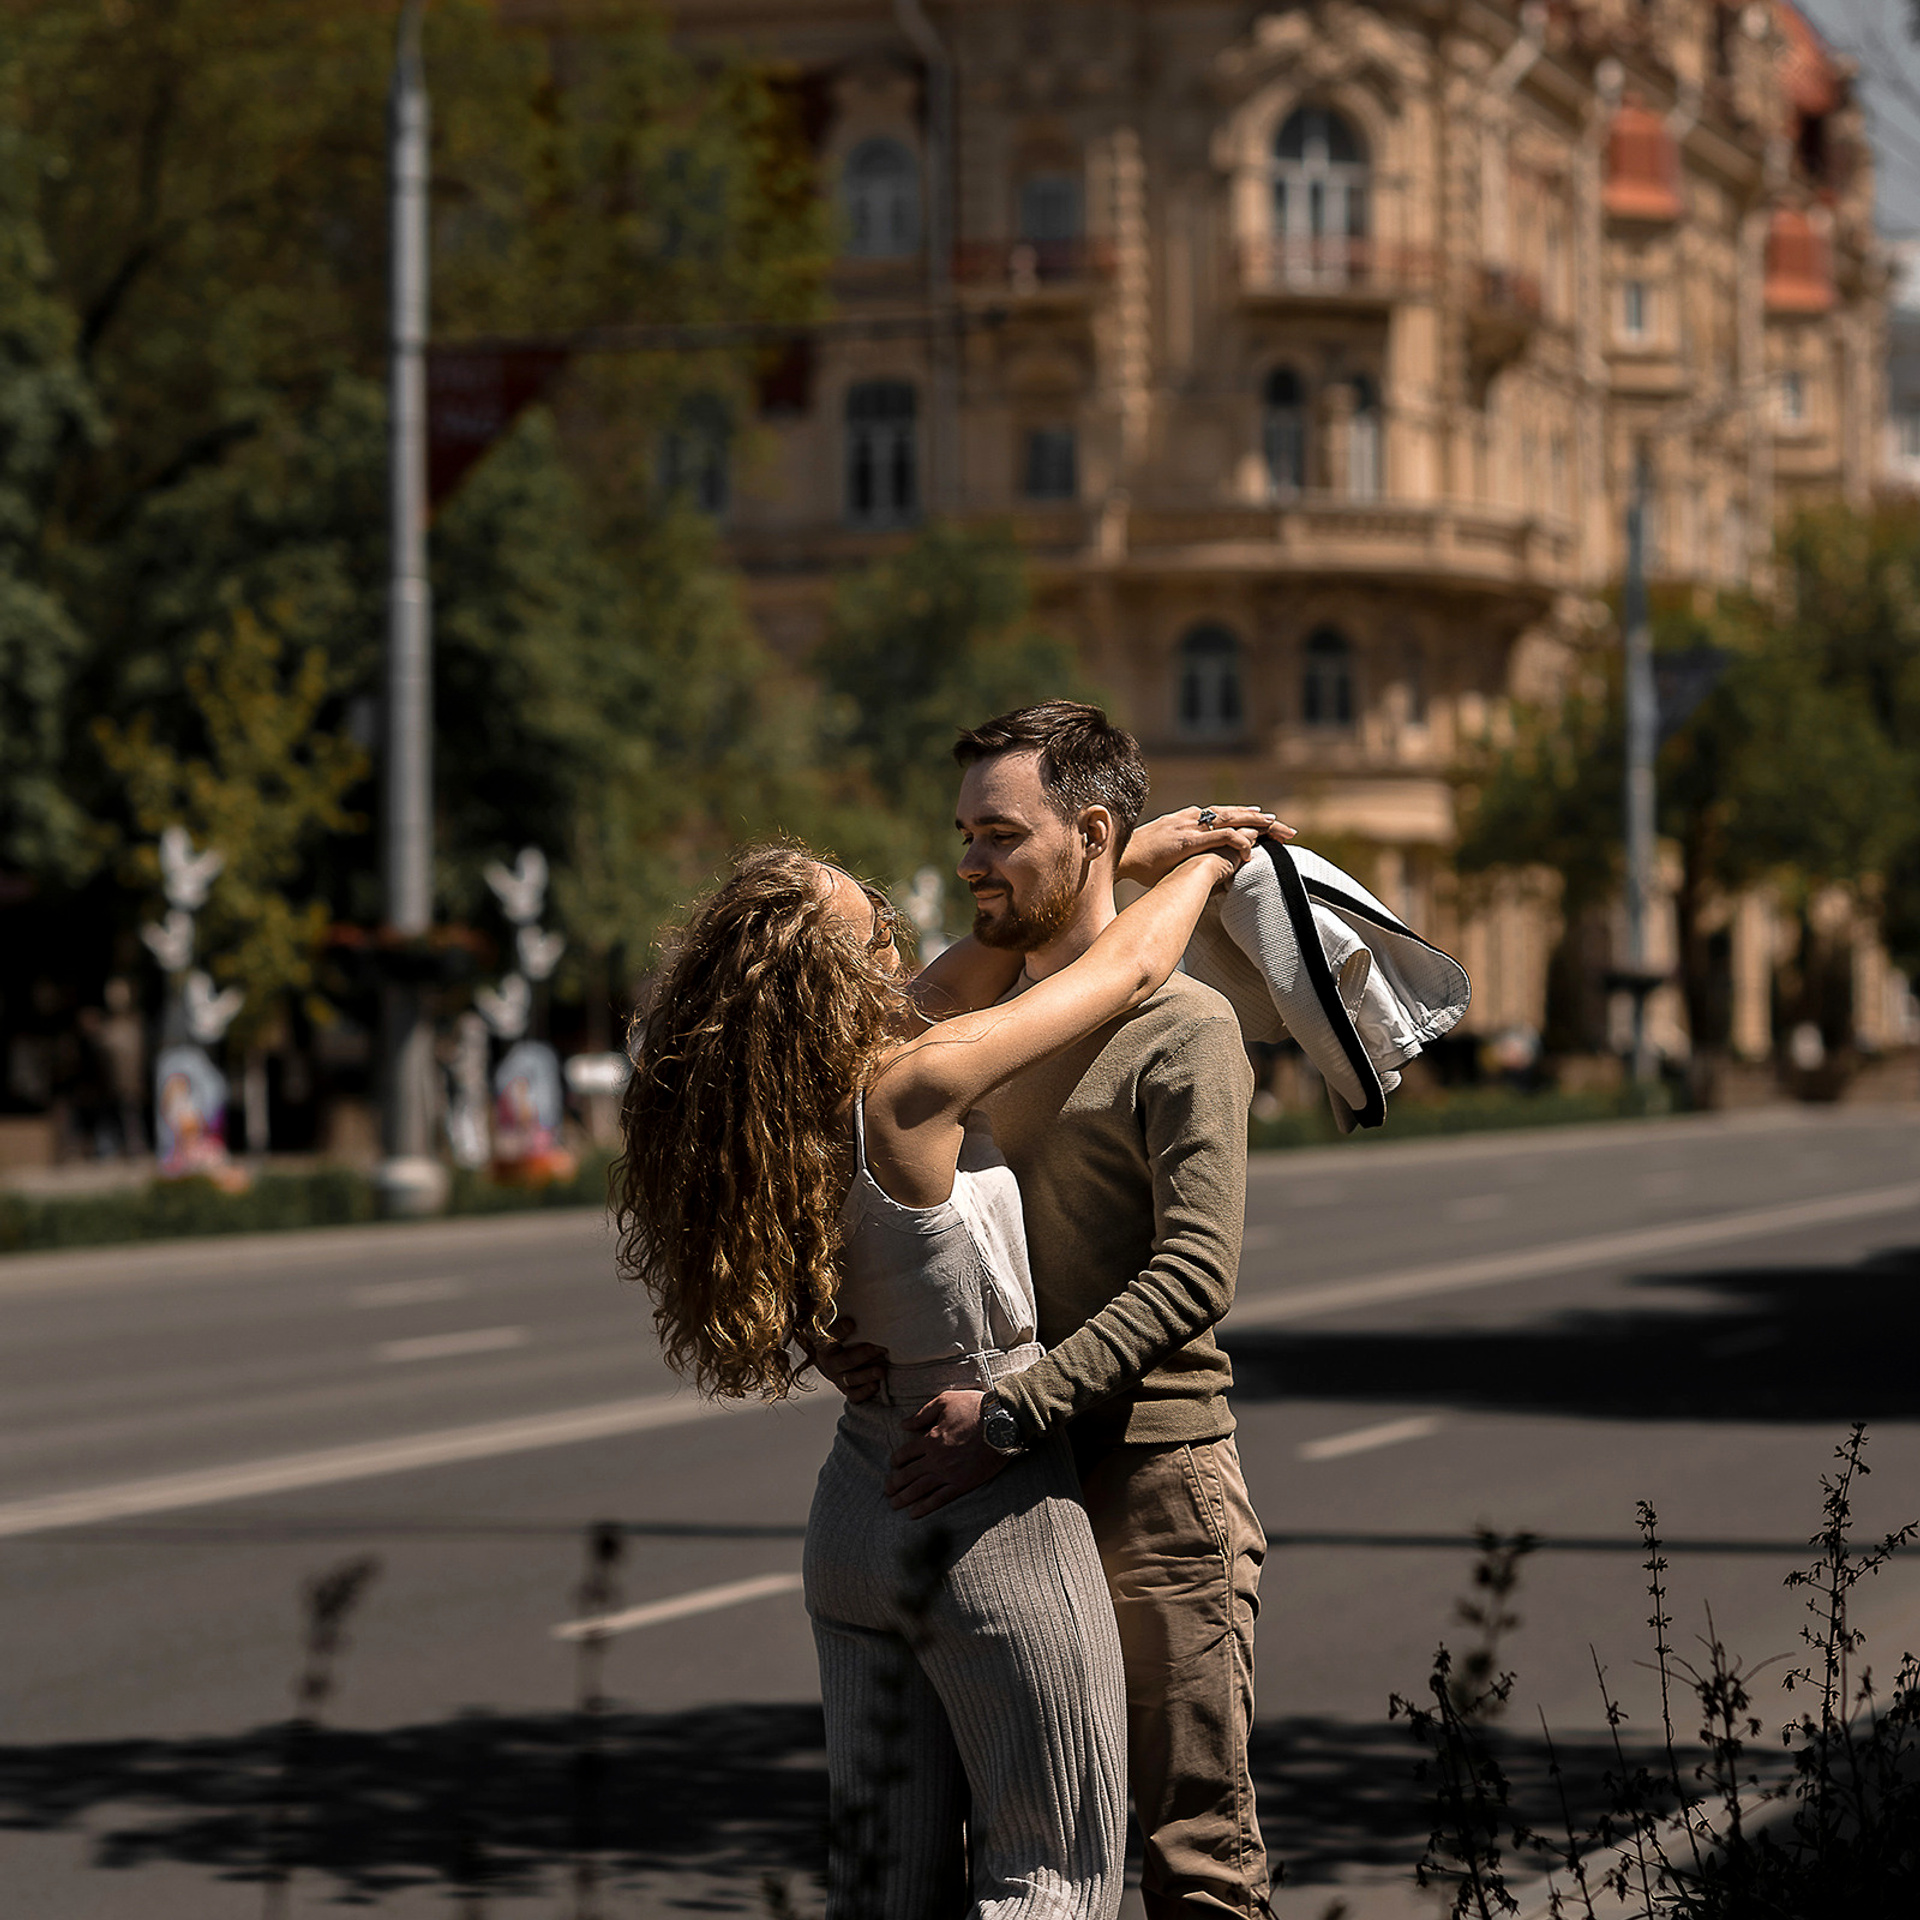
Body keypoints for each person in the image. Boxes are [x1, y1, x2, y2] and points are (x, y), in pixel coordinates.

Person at [614, 821, 1258, 1920]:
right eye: (876, 944)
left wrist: (1115, 853)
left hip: (857, 1513)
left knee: (883, 1889)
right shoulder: (907, 1087)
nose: (902, 965)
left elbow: (981, 964)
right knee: (1051, 1876)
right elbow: (1131, 968)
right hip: (984, 1505)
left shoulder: (779, 1109)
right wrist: (1203, 864)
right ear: (835, 980)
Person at [819, 703, 1281, 1918]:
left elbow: (1194, 1275)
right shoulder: (969, 1029)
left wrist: (1015, 1411)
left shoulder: (1186, 1028)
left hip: (1151, 1483)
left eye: (999, 835)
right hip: (998, 1484)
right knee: (996, 1850)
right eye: (962, 832)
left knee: (1193, 1860)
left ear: (1086, 832)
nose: (968, 862)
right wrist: (836, 1327)